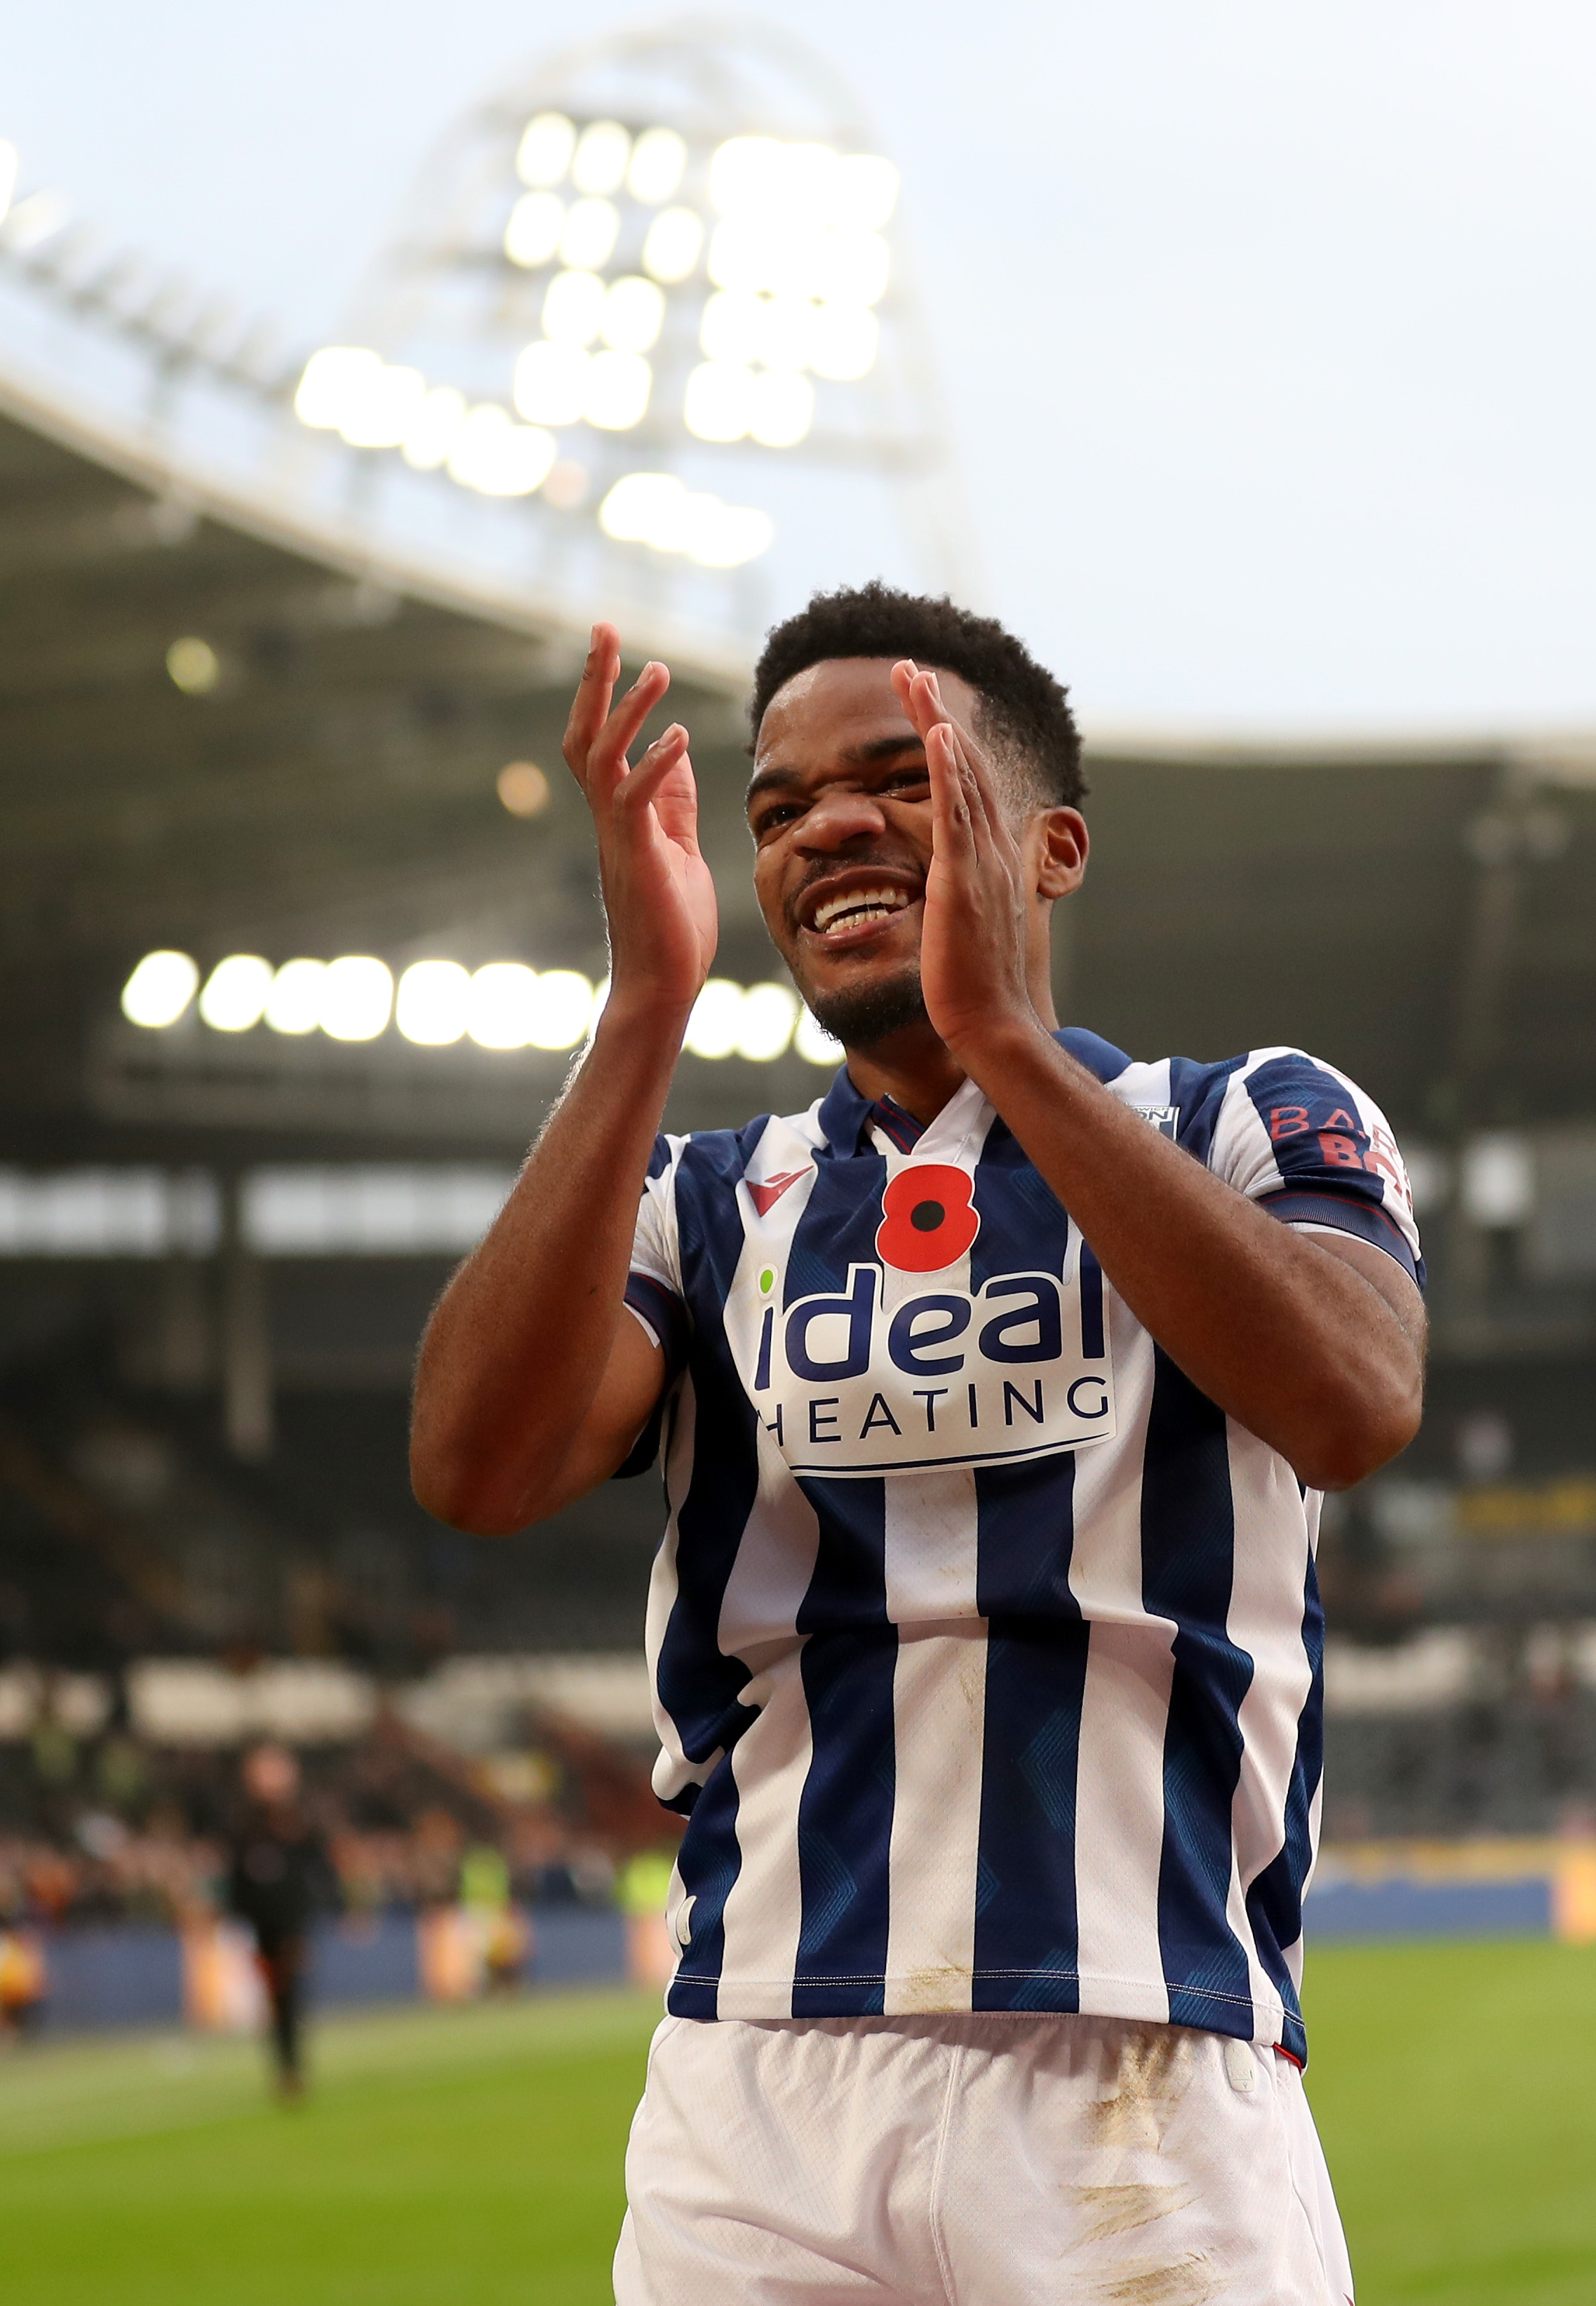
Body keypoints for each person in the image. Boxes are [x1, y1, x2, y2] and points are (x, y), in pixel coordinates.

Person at [410, 587, 1428, 2303]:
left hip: (1142, 2064)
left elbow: (1352, 1397)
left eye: (895, 776)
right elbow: (474, 1465)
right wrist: (644, 1003)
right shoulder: (704, 1201)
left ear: (1048, 843)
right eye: (777, 809)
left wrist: (1008, 1045)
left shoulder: (1249, 1115)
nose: (828, 828)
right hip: (759, 2087)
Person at [222, 1742, 336, 2105]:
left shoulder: (300, 1823)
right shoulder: (244, 1827)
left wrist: (310, 1920)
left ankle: (292, 2068)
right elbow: (236, 1883)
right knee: (276, 1999)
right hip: (261, 1929)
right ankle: (286, 2068)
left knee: (291, 1996)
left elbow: (318, 1874)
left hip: (292, 1927)